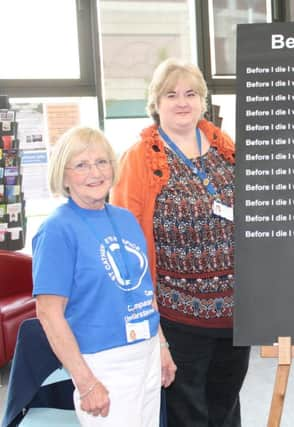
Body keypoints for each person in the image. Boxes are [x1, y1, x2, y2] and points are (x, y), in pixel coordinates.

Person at [111, 58, 249, 427]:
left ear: (203, 100)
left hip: (236, 312)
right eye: (171, 94)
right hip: (178, 313)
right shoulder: (139, 159)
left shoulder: (226, 148)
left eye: (190, 93)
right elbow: (126, 247)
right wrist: (150, 327)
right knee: (188, 414)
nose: (182, 102)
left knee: (226, 406)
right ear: (155, 103)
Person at [33, 126, 176, 426]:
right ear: (64, 175)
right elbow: (48, 313)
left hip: (146, 352)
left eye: (101, 162)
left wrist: (161, 346)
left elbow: (144, 292)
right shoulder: (57, 229)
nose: (94, 172)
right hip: (102, 363)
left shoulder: (124, 219)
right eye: (81, 165)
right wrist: (85, 381)